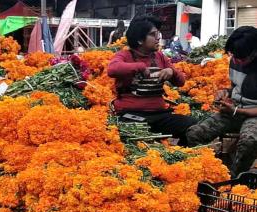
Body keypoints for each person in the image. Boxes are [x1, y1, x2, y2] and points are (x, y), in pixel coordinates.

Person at [107, 16, 197, 145]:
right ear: (139, 40)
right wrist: (140, 67)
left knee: (193, 126)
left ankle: (180, 155)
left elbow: (181, 82)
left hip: (159, 115)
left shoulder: (160, 56)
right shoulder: (124, 55)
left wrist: (171, 72)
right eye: (153, 34)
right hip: (132, 115)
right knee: (126, 135)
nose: (158, 38)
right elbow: (112, 69)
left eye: (157, 34)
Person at [187, 26, 257, 178]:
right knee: (194, 133)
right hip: (235, 109)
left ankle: (234, 179)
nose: (237, 61)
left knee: (249, 142)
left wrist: (237, 111)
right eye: (234, 56)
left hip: (253, 114)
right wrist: (225, 92)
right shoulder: (235, 60)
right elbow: (235, 86)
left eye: (242, 58)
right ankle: (209, 172)